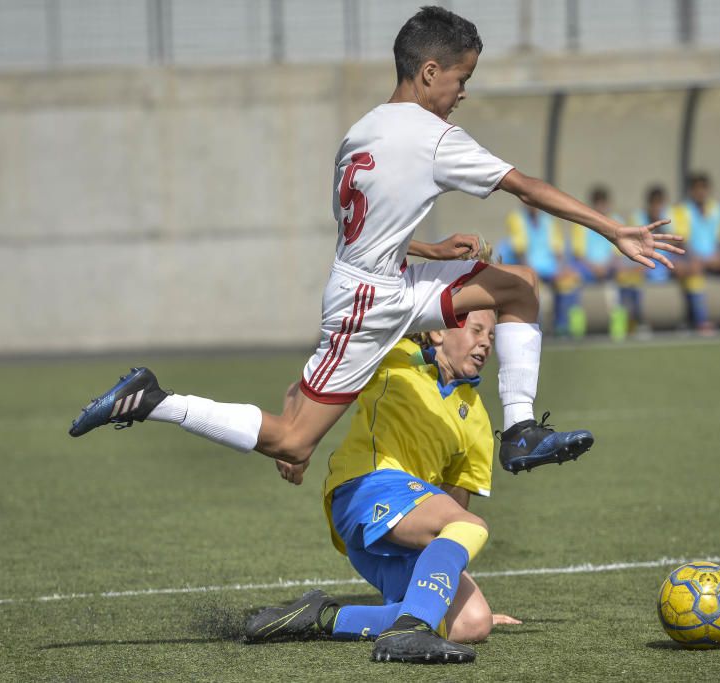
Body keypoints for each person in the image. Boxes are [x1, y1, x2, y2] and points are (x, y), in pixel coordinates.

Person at [69, 6, 681, 477]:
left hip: (384, 278)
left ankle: (518, 430)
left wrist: (432, 251)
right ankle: (152, 399)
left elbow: (366, 225)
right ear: (429, 72)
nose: (463, 92)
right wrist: (613, 229)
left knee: (518, 287)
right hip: (369, 301)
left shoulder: (360, 132)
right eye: (461, 78)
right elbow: (525, 187)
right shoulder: (433, 136)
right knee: (292, 439)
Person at [244, 310, 515, 664]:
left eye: (492, 336)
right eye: (476, 329)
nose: (485, 342)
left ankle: (320, 617)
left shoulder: (476, 415)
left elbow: (454, 504)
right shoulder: (395, 355)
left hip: (401, 529)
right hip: (364, 489)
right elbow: (306, 386)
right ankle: (411, 627)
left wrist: (447, 592)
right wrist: (296, 445)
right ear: (436, 332)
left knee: (471, 621)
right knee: (470, 527)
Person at [504, 206, 581, 336]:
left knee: (569, 281)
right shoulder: (516, 219)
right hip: (528, 267)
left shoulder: (549, 220)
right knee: (531, 285)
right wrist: (531, 271)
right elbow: (520, 251)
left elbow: (558, 249)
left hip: (551, 267)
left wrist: (561, 268)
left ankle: (562, 327)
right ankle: (535, 326)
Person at [671, 172, 720, 335]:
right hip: (691, 258)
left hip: (712, 258)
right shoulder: (682, 210)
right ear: (691, 191)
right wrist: (699, 258)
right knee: (694, 269)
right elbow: (682, 240)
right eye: (697, 189)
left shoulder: (716, 209)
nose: (700, 192)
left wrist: (718, 256)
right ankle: (701, 320)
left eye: (703, 188)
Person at [617, 184, 671, 338]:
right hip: (645, 266)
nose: (657, 207)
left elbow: (679, 244)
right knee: (629, 277)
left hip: (665, 265)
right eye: (654, 203)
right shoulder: (638, 219)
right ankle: (635, 322)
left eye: (660, 203)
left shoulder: (670, 218)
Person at [568, 185, 623, 339]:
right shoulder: (581, 223)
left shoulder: (616, 222)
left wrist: (605, 267)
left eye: (603, 202)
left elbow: (617, 255)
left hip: (608, 269)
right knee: (572, 282)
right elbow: (579, 255)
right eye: (597, 203)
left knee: (622, 281)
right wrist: (594, 268)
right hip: (587, 269)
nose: (600, 206)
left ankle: (619, 326)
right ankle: (576, 328)